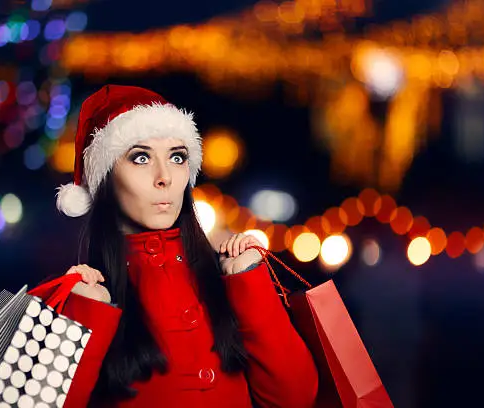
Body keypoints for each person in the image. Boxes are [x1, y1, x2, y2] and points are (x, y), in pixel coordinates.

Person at [31, 85, 319, 408]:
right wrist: (84, 318)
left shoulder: (227, 280)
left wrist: (249, 282)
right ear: (104, 178)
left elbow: (296, 399)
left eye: (177, 157)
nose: (164, 177)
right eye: (141, 157)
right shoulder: (80, 299)